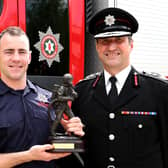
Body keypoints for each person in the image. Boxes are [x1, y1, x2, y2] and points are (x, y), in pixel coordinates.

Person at [62, 7, 168, 168]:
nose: (111, 47)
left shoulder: (159, 91)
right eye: (105, 41)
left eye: (119, 40)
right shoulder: (82, 92)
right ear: (97, 47)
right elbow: (75, 149)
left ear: (131, 45)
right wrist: (67, 135)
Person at [0, 26, 84, 168]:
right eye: (9, 52)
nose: (16, 58)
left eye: (22, 52)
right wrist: (28, 156)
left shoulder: (47, 98)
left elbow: (65, 144)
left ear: (29, 57)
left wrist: (73, 130)